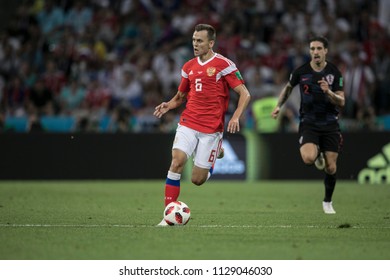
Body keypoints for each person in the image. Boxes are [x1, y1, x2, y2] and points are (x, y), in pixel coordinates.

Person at [154, 23, 251, 225]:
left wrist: (235, 117)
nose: (195, 44)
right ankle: (167, 216)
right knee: (177, 161)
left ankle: (217, 152)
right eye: (193, 40)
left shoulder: (224, 64)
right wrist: (168, 105)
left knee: (197, 179)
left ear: (211, 43)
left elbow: (244, 93)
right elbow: (181, 96)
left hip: (211, 129)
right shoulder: (188, 67)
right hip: (189, 122)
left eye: (199, 41)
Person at [271, 35, 345, 214]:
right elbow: (288, 88)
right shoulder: (301, 71)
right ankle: (317, 152)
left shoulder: (335, 73)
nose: (315, 52)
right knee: (308, 159)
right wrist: (279, 106)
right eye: (312, 49)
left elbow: (341, 101)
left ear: (326, 51)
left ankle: (327, 201)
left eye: (319, 49)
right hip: (309, 122)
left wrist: (329, 93)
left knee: (331, 167)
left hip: (329, 123)